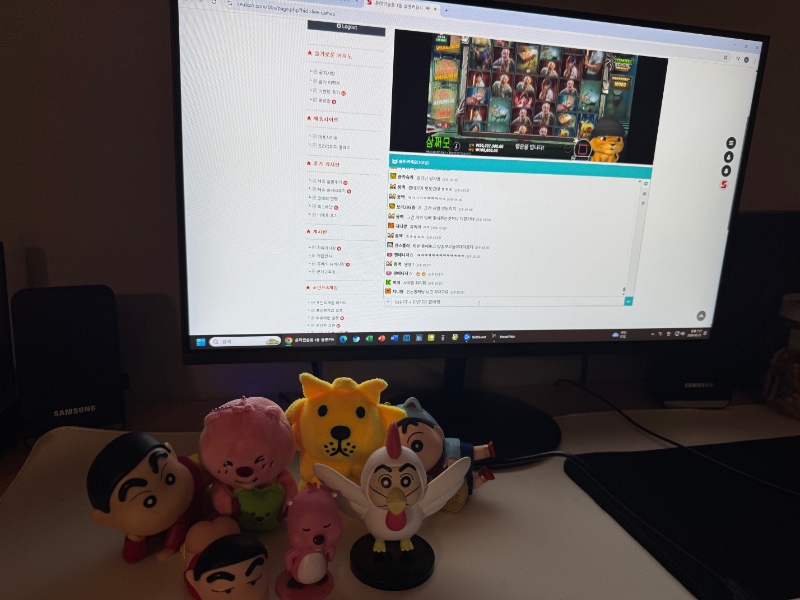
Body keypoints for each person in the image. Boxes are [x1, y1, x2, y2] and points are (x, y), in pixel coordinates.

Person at [87, 432, 206, 564]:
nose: (171, 501)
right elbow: (130, 557)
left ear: (171, 453)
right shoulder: (136, 528)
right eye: (149, 501)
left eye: (170, 479)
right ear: (106, 520)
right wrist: (136, 538)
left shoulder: (191, 472)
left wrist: (170, 546)